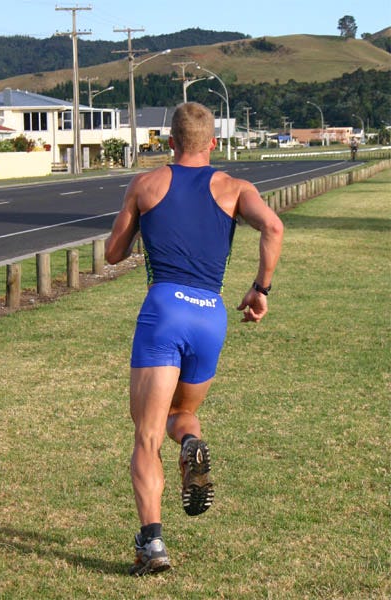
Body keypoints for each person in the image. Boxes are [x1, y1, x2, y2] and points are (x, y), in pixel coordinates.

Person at [105, 102, 284, 576]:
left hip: (164, 309)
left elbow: (112, 252)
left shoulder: (146, 184)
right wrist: (260, 289)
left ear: (169, 142)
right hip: (209, 314)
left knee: (147, 435)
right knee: (181, 414)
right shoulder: (236, 188)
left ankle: (152, 544)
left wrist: (143, 222)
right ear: (213, 143)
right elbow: (273, 226)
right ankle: (189, 443)